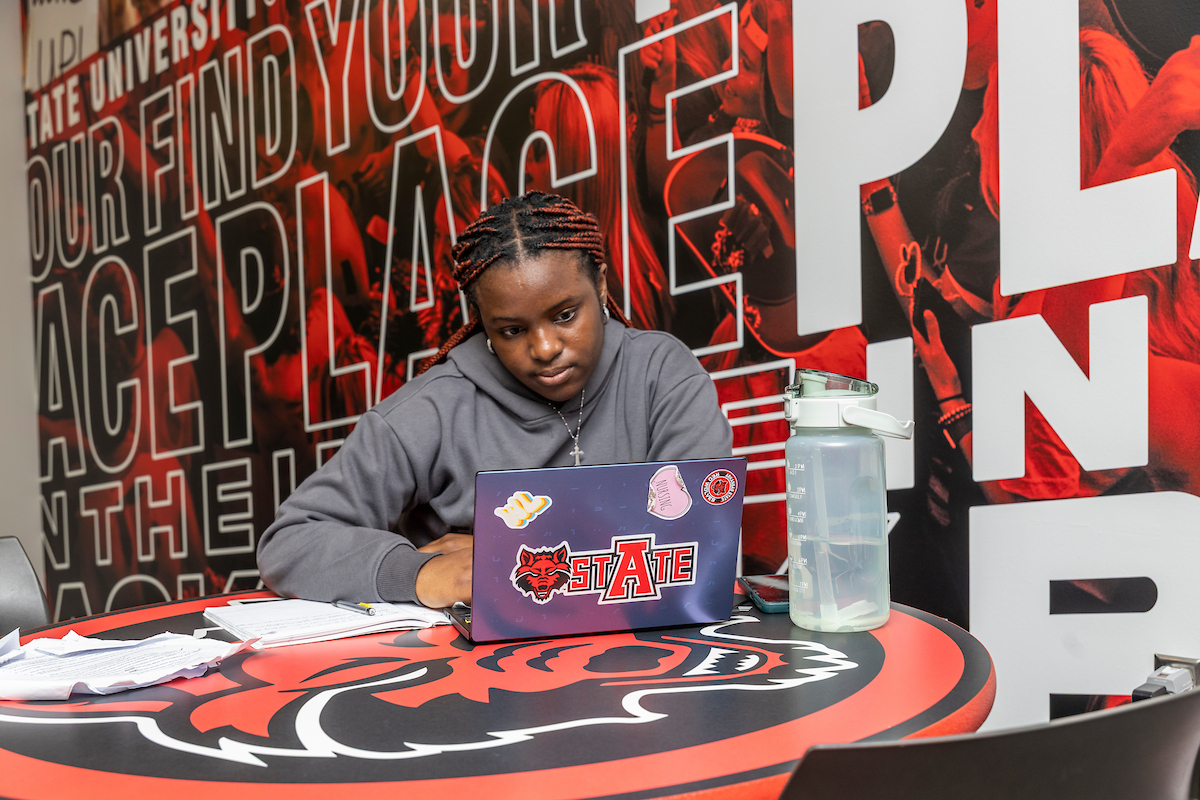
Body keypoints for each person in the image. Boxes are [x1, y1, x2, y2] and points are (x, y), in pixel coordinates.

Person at [257, 192, 734, 608]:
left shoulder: (662, 373)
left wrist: (504, 553)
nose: (545, 348)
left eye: (565, 315)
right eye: (512, 330)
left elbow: (701, 537)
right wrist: (422, 574)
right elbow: (290, 542)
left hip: (646, 651)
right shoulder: (433, 410)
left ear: (602, 285)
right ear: (482, 320)